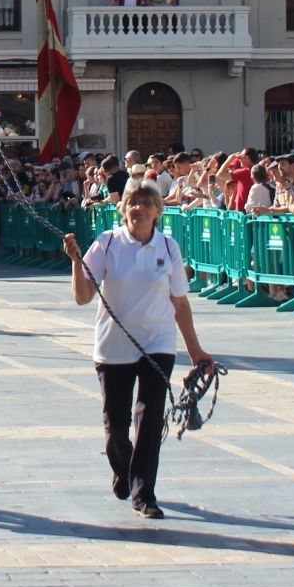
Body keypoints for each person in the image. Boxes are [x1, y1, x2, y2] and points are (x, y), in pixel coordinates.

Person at [61, 183, 213, 519]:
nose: (139, 208)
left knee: (149, 417)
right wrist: (75, 261)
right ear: (124, 208)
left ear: (158, 210)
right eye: (133, 203)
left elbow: (179, 301)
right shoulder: (108, 242)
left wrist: (196, 350)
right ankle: (125, 469)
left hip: (157, 344)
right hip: (113, 346)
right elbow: (83, 296)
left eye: (147, 203)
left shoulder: (168, 247)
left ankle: (144, 494)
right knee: (116, 425)